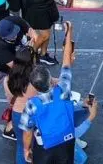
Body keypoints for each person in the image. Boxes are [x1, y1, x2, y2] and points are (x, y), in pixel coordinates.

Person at [19, 21, 85, 164]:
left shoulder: (31, 104)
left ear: (35, 86)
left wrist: (26, 149)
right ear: (51, 80)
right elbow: (66, 61)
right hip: (66, 142)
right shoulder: (63, 90)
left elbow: (27, 131)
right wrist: (69, 33)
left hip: (45, 147)